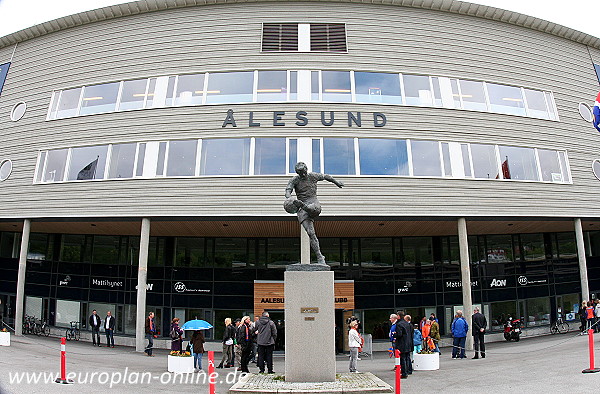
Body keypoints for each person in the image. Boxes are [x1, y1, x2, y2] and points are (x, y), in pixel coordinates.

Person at [284, 161, 344, 264]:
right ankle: (320, 257)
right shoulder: (295, 180)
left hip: (313, 202)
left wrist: (337, 182)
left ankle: (304, 206)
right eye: (300, 173)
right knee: (311, 233)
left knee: (314, 209)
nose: (302, 174)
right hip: (301, 206)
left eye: (303, 172)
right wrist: (290, 199)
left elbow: (326, 176)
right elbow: (287, 191)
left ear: (306, 169)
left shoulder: (313, 176)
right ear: (297, 173)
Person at [394, 311, 411, 379]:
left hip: (402, 343)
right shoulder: (407, 323)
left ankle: (404, 373)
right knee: (407, 358)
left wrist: (394, 334)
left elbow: (399, 334)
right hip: (408, 343)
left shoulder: (399, 324)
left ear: (398, 316)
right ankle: (407, 370)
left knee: (402, 358)